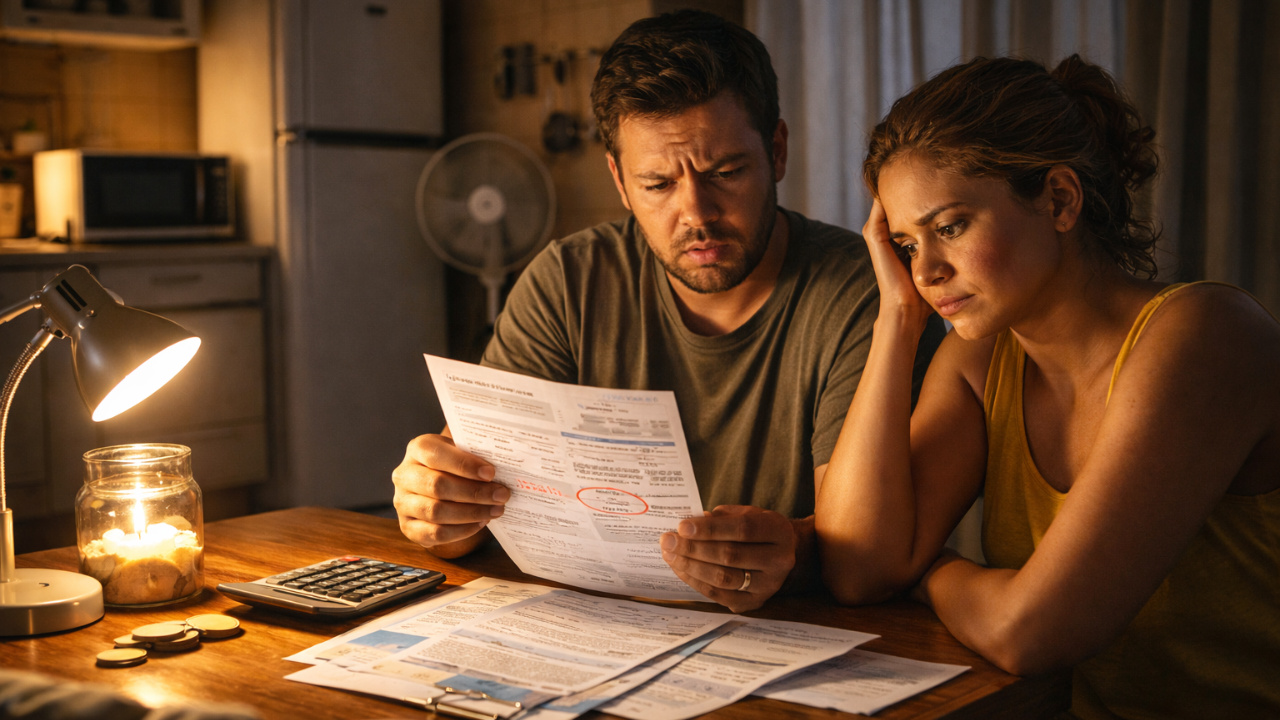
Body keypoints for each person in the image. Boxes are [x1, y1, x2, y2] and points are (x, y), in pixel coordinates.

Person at [393, 10, 942, 613]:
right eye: (657, 184)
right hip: (593, 628)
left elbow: (864, 558)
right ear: (620, 183)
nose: (697, 213)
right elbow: (474, 511)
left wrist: (793, 549)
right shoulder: (566, 283)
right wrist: (440, 508)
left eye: (726, 172)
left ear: (777, 151)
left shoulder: (867, 294)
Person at [814, 54, 1280, 717]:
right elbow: (859, 570)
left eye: (949, 227)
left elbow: (1028, 632)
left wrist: (930, 571)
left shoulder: (1205, 337)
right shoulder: (979, 362)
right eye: (906, 245)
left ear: (1059, 199)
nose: (928, 271)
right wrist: (897, 317)